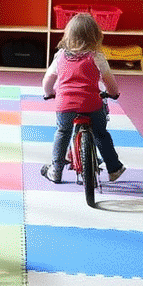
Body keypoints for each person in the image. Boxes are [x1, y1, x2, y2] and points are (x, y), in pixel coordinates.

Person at [40, 12, 125, 184]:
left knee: (62, 132)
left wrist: (48, 93)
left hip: (65, 104)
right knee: (101, 133)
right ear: (96, 36)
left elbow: (48, 80)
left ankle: (56, 169)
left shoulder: (60, 56)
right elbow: (110, 82)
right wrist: (113, 93)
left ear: (68, 35)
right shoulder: (96, 56)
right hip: (91, 103)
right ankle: (114, 168)